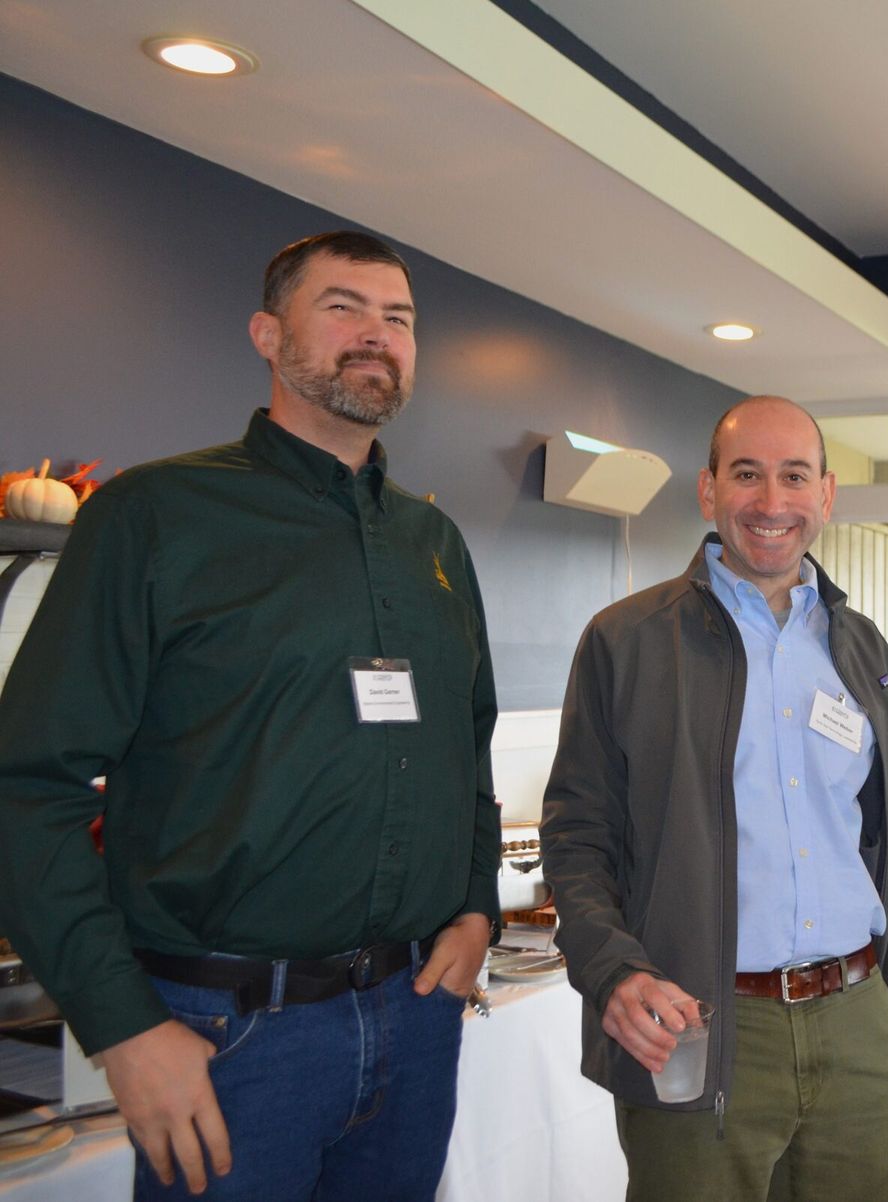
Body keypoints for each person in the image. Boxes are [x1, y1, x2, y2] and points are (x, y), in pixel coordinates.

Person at [0, 230, 500, 1199]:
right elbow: (29, 783)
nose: (376, 335)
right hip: (227, 1033)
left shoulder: (431, 539)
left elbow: (464, 748)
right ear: (268, 335)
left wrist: (476, 900)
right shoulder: (156, 515)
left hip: (418, 1015)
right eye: (343, 307)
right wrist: (122, 1022)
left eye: (398, 318)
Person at [541, 395, 888, 1202]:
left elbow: (880, 833)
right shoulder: (628, 639)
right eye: (746, 474)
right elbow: (576, 837)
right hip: (703, 1021)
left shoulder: (859, 644)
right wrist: (612, 971)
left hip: (861, 1019)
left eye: (795, 476)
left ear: (826, 495)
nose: (771, 501)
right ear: (708, 491)